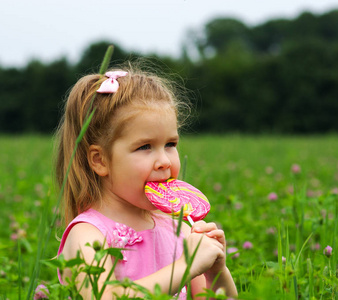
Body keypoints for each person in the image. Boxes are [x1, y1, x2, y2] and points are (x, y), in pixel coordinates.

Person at [55, 65, 237, 299]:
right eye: (145, 147)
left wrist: (215, 271)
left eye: (170, 144)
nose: (164, 161)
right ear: (100, 160)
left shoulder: (180, 229)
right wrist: (185, 267)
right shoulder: (88, 234)